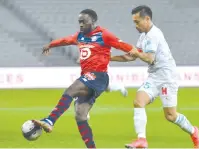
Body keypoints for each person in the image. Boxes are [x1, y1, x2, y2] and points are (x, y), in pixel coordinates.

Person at [33, 9, 135, 148]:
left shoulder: (104, 35)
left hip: (98, 76)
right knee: (80, 116)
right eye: (79, 22)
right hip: (88, 77)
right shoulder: (79, 36)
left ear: (93, 21)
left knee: (71, 90)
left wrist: (139, 54)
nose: (80, 25)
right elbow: (65, 40)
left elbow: (126, 48)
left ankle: (50, 120)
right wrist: (50, 44)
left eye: (83, 22)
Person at [110, 5, 199, 148]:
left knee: (170, 116)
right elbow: (131, 57)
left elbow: (149, 58)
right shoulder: (143, 36)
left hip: (167, 78)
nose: (135, 25)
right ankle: (141, 140)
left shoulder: (154, 35)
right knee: (138, 101)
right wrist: (110, 58)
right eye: (134, 22)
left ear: (147, 19)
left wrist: (137, 53)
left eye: (137, 22)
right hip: (154, 77)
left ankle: (193, 131)